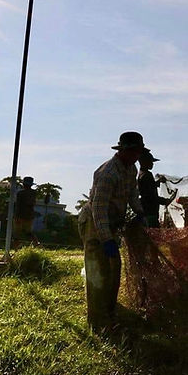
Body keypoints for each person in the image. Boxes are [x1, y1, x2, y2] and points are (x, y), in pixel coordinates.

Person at [78, 131, 147, 333]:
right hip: (94, 222)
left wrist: (140, 211)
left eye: (138, 151)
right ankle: (98, 323)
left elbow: (133, 193)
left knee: (113, 268)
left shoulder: (131, 169)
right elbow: (99, 209)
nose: (136, 155)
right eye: (133, 151)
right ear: (123, 151)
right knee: (98, 272)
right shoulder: (108, 173)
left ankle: (109, 313)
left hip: (112, 222)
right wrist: (106, 239)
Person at [137, 150, 176, 228]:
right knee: (153, 234)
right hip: (150, 212)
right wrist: (165, 201)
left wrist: (158, 182)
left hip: (146, 210)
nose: (152, 164)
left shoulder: (141, 174)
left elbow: (148, 188)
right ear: (145, 162)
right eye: (150, 162)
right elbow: (151, 196)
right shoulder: (147, 175)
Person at [14, 176, 40, 246]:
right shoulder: (34, 193)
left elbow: (18, 205)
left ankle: (16, 248)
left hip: (21, 215)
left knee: (17, 234)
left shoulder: (20, 193)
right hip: (29, 215)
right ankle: (36, 244)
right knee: (29, 233)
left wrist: (16, 216)